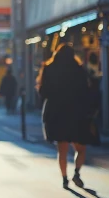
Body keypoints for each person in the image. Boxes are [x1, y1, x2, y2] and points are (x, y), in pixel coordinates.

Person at [37, 44, 93, 189]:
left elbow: (43, 92)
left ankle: (64, 179)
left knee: (62, 149)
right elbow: (86, 92)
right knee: (80, 148)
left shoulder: (49, 68)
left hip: (56, 114)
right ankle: (76, 173)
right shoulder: (78, 69)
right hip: (76, 113)